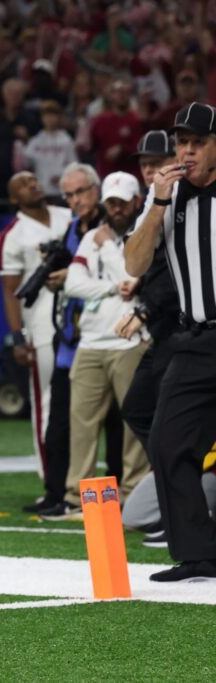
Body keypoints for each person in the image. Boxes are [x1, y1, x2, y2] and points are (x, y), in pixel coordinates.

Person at [124, 102, 216, 581]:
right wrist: (158, 203)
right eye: (182, 142)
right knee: (166, 442)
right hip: (196, 337)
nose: (187, 151)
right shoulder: (168, 195)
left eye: (198, 142)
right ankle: (200, 553)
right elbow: (135, 265)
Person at [41, 172, 148, 520]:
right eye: (110, 203)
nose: (114, 210)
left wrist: (108, 251)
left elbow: (133, 280)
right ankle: (78, 498)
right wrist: (110, 288)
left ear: (135, 202)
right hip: (90, 343)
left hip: (129, 341)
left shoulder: (141, 237)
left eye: (121, 203)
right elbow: (73, 283)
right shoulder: (89, 237)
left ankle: (133, 498)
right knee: (82, 424)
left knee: (133, 427)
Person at [117, 130, 179, 546]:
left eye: (157, 162)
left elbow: (183, 272)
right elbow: (141, 264)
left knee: (165, 421)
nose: (150, 170)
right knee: (140, 410)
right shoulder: (151, 206)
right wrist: (137, 292)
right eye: (144, 164)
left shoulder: (187, 199)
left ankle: (179, 498)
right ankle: (172, 488)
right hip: (164, 328)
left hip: (182, 327)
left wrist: (144, 308)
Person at [0, 171, 71, 509]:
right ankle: (51, 480)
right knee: (46, 404)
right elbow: (10, 291)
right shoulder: (13, 234)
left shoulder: (68, 215)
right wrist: (18, 337)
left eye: (34, 180)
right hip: (40, 325)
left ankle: (80, 479)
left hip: (81, 318)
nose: (33, 184)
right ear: (14, 198)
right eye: (23, 184)